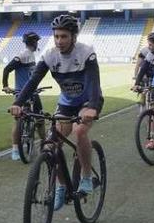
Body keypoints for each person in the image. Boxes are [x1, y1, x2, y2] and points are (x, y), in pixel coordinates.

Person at [9, 15, 103, 210]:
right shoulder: (50, 55)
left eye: (64, 37)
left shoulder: (86, 53)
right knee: (51, 145)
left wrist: (92, 107)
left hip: (88, 101)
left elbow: (94, 82)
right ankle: (61, 186)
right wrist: (18, 102)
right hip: (67, 103)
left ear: (73, 37)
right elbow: (33, 81)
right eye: (56, 36)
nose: (59, 41)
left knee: (80, 132)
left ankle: (86, 177)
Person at [2, 31, 44, 160]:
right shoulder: (23, 55)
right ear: (34, 42)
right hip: (24, 93)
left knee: (18, 119)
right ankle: (45, 144)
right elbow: (7, 69)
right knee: (40, 119)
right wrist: (5, 85)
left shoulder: (30, 54)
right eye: (36, 42)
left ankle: (15, 149)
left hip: (27, 92)